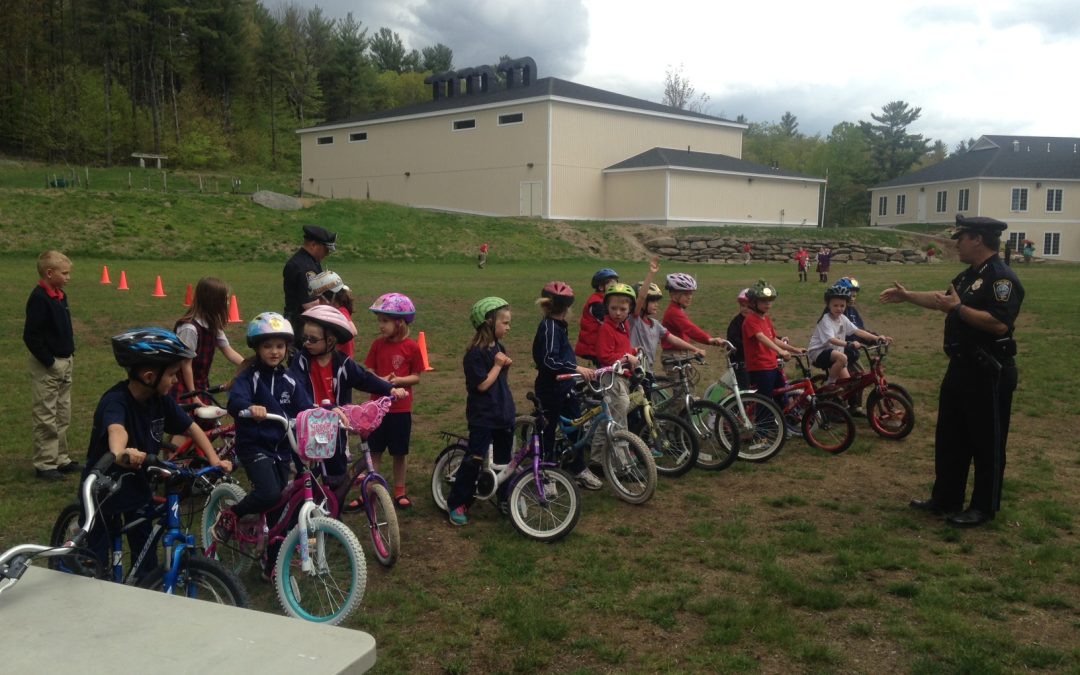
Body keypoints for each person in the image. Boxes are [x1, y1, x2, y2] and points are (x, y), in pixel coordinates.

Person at [881, 215, 1023, 528]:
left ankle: (983, 507)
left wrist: (957, 309)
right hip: (961, 368)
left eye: (961, 237)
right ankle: (946, 498)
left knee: (986, 443)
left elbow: (998, 322)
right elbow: (941, 299)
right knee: (951, 438)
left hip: (988, 371)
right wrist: (908, 296)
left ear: (978, 239)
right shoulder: (971, 275)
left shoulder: (1001, 279)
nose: (956, 243)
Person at [86, 328, 233, 579]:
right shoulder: (116, 401)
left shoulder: (160, 400)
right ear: (149, 375)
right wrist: (122, 453)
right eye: (173, 374)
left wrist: (214, 459)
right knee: (97, 560)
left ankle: (146, 586)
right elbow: (116, 430)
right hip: (104, 490)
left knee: (147, 554)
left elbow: (191, 427)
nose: (176, 381)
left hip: (139, 486)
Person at [215, 312, 313, 578]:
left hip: (281, 449)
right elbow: (235, 402)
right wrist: (249, 407)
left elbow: (306, 408)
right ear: (257, 348)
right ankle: (232, 514)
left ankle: (271, 564)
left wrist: (329, 414)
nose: (274, 351)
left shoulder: (290, 380)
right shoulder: (249, 377)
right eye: (268, 346)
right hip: (254, 446)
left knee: (281, 508)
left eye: (279, 346)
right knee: (270, 493)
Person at [292, 305, 403, 489]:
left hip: (336, 426)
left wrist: (390, 389)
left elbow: (364, 378)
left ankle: (334, 509)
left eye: (312, 339)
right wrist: (324, 408)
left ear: (330, 341)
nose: (306, 343)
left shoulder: (342, 363)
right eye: (304, 338)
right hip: (309, 425)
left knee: (337, 472)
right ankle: (300, 510)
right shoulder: (301, 362)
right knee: (307, 475)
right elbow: (297, 390)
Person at [447, 297, 515, 526]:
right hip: (483, 416)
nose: (508, 327)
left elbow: (498, 383)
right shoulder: (475, 354)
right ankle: (458, 502)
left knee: (505, 462)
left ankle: (505, 498)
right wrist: (497, 365)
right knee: (474, 460)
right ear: (488, 322)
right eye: (504, 322)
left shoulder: (499, 347)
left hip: (502, 413)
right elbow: (482, 385)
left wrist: (503, 366)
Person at [531, 282, 602, 490]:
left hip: (566, 386)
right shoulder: (549, 328)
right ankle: (547, 473)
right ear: (568, 308)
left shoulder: (558, 325)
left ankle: (577, 468)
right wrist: (576, 368)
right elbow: (548, 360)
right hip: (550, 389)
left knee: (575, 426)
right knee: (548, 431)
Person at [363, 293, 424, 509]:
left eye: (385, 321)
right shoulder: (377, 345)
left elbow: (416, 376)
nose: (380, 325)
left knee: (399, 452)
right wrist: (378, 381)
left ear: (399, 323)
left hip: (400, 411)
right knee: (374, 451)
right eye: (379, 320)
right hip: (376, 409)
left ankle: (400, 490)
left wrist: (398, 381)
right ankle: (369, 490)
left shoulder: (412, 347)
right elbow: (368, 369)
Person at [24, 250, 78, 481]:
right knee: (46, 415)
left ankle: (60, 458)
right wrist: (50, 361)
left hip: (65, 362)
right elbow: (31, 336)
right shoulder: (39, 299)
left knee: (62, 413)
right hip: (49, 365)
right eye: (64, 273)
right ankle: (45, 464)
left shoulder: (60, 296)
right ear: (49, 273)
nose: (68, 277)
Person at [590, 283, 641, 466]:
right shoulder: (607, 328)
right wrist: (627, 357)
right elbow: (604, 355)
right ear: (607, 308)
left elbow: (623, 348)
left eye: (622, 309)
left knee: (609, 419)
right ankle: (622, 465)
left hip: (621, 376)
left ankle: (596, 460)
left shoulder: (623, 326)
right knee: (619, 422)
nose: (617, 312)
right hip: (611, 378)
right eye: (613, 308)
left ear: (629, 309)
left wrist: (633, 351)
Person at [172, 276, 245, 404]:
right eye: (225, 299)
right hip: (184, 388)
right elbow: (185, 364)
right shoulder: (189, 328)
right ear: (213, 302)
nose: (227, 303)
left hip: (201, 386)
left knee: (207, 421)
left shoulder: (212, 324)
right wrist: (193, 395)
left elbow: (229, 351)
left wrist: (250, 365)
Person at [630, 258, 704, 374]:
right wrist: (651, 274)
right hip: (634, 368)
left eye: (657, 301)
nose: (656, 305)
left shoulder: (655, 324)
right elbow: (641, 297)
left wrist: (694, 348)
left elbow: (673, 339)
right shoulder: (635, 321)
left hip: (648, 368)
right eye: (652, 301)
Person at [808, 286, 890, 388]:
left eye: (842, 305)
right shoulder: (826, 320)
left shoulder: (843, 318)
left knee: (849, 385)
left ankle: (833, 402)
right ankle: (829, 384)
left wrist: (876, 338)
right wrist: (848, 344)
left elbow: (858, 331)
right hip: (819, 352)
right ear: (828, 305)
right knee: (843, 358)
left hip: (836, 354)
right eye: (835, 305)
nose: (839, 308)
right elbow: (831, 340)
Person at [741, 280, 805, 409]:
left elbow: (774, 339)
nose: (768, 304)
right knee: (765, 401)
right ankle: (764, 427)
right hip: (760, 367)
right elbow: (761, 337)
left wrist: (794, 349)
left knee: (782, 395)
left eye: (770, 301)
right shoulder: (750, 320)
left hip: (772, 365)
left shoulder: (766, 319)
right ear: (754, 302)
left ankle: (784, 422)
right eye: (764, 301)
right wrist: (780, 352)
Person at [282, 224, 337, 337]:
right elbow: (310, 304)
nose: (327, 254)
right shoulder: (305, 267)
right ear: (313, 245)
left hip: (299, 321)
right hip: (302, 325)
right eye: (326, 250)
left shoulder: (308, 261)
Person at [660, 272, 727, 357]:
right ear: (674, 295)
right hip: (674, 355)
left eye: (691, 293)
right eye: (685, 294)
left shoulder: (677, 309)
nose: (690, 297)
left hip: (680, 353)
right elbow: (690, 329)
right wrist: (709, 339)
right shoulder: (674, 312)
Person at [575, 267, 619, 365]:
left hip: (599, 344)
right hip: (593, 346)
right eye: (610, 282)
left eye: (616, 281)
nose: (615, 284)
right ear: (601, 287)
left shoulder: (605, 300)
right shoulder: (596, 303)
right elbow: (609, 321)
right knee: (607, 371)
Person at [308, 270, 357, 358]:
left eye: (320, 299)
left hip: (341, 361)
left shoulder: (340, 312)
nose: (318, 303)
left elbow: (353, 331)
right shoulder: (334, 311)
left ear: (331, 298)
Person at [724, 288, 752, 390]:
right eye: (742, 306)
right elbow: (733, 340)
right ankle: (743, 404)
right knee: (745, 387)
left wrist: (780, 338)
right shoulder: (736, 322)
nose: (745, 309)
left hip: (752, 359)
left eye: (748, 307)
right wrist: (749, 346)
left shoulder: (755, 321)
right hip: (739, 360)